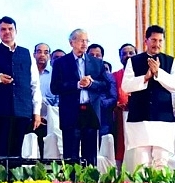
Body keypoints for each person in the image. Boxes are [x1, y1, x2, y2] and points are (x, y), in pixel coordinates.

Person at [0, 16, 42, 159]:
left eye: (10, 29)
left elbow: (34, 85)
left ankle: (14, 181)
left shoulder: (26, 53)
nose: (7, 32)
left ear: (16, 31)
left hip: (21, 111)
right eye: (3, 29)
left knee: (16, 153)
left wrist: (36, 112)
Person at [122, 25, 175, 171]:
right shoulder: (134, 61)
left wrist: (158, 73)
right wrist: (146, 77)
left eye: (160, 40)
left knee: (161, 159)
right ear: (146, 41)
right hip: (140, 117)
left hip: (163, 117)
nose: (157, 44)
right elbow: (126, 86)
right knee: (141, 160)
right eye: (154, 40)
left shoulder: (169, 61)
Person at [51, 30, 111, 166]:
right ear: (71, 42)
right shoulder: (61, 63)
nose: (84, 44)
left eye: (86, 40)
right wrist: (77, 84)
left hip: (90, 112)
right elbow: (55, 87)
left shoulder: (96, 63)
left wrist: (91, 84)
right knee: (70, 155)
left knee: (90, 155)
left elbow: (106, 85)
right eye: (80, 40)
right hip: (71, 112)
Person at [113, 43, 137, 169]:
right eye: (124, 53)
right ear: (119, 57)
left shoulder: (142, 74)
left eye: (131, 53)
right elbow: (111, 95)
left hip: (138, 116)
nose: (127, 56)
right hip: (119, 117)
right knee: (121, 147)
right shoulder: (115, 76)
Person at [87, 43, 118, 138]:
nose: (95, 57)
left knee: (104, 148)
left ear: (102, 58)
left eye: (98, 55)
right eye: (91, 55)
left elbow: (113, 98)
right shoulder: (81, 74)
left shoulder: (108, 76)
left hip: (103, 118)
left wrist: (100, 104)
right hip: (84, 116)